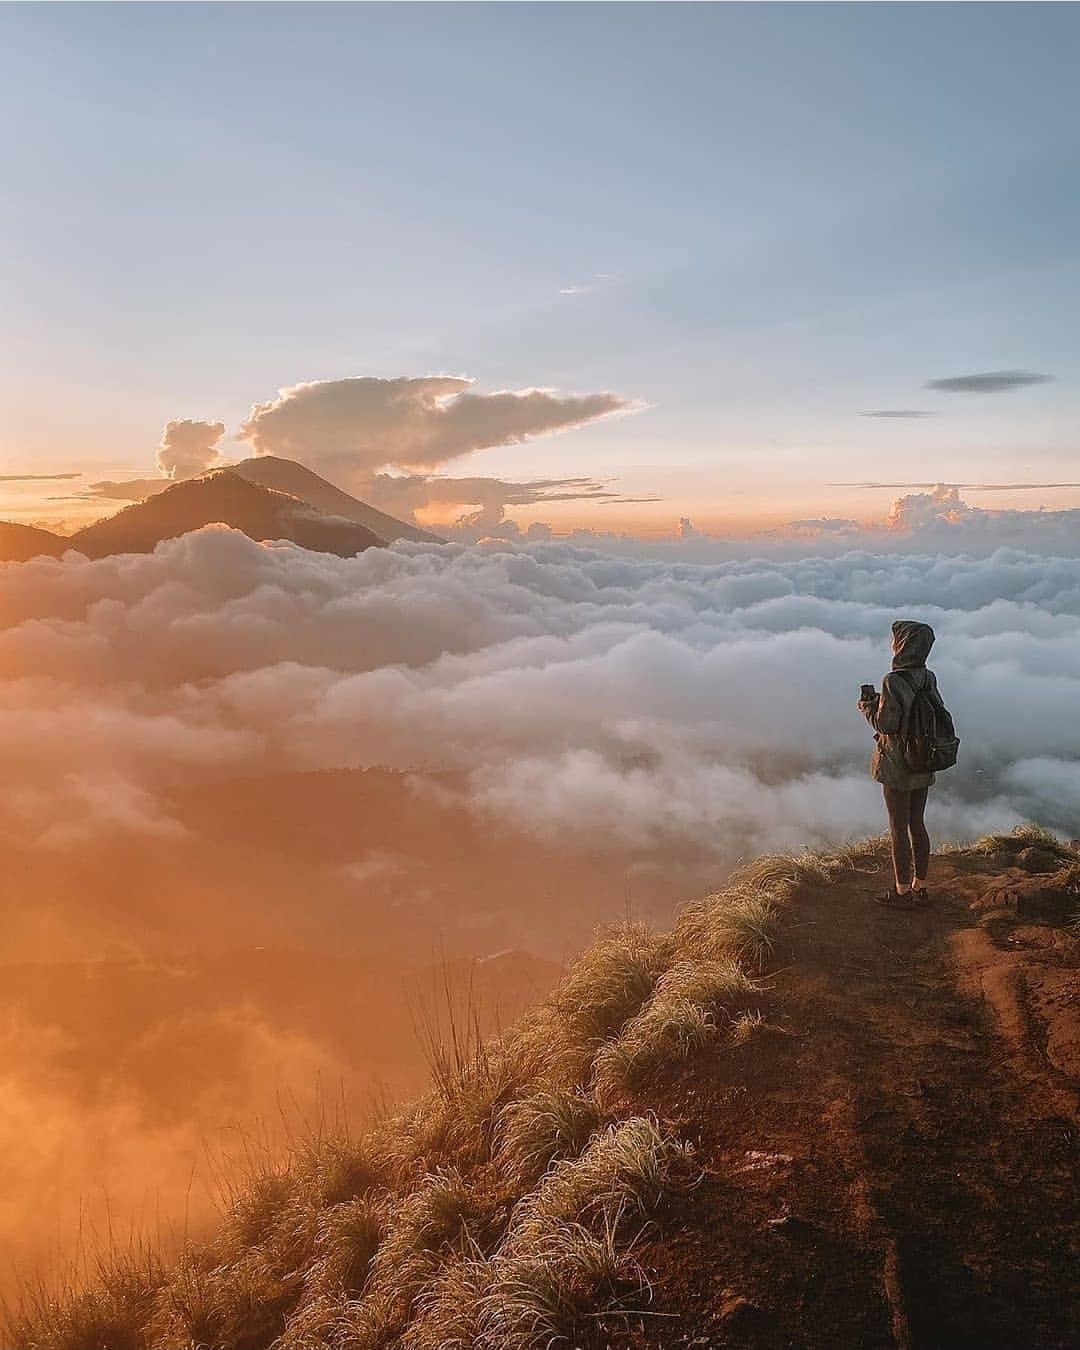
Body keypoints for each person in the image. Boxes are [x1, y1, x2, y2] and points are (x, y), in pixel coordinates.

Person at [859, 620, 954, 909]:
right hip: (923, 761)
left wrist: (868, 707)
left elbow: (887, 724)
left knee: (897, 827)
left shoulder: (893, 680)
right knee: (917, 823)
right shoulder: (928, 677)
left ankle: (901, 892)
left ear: (902, 645)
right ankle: (920, 887)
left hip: (898, 764)